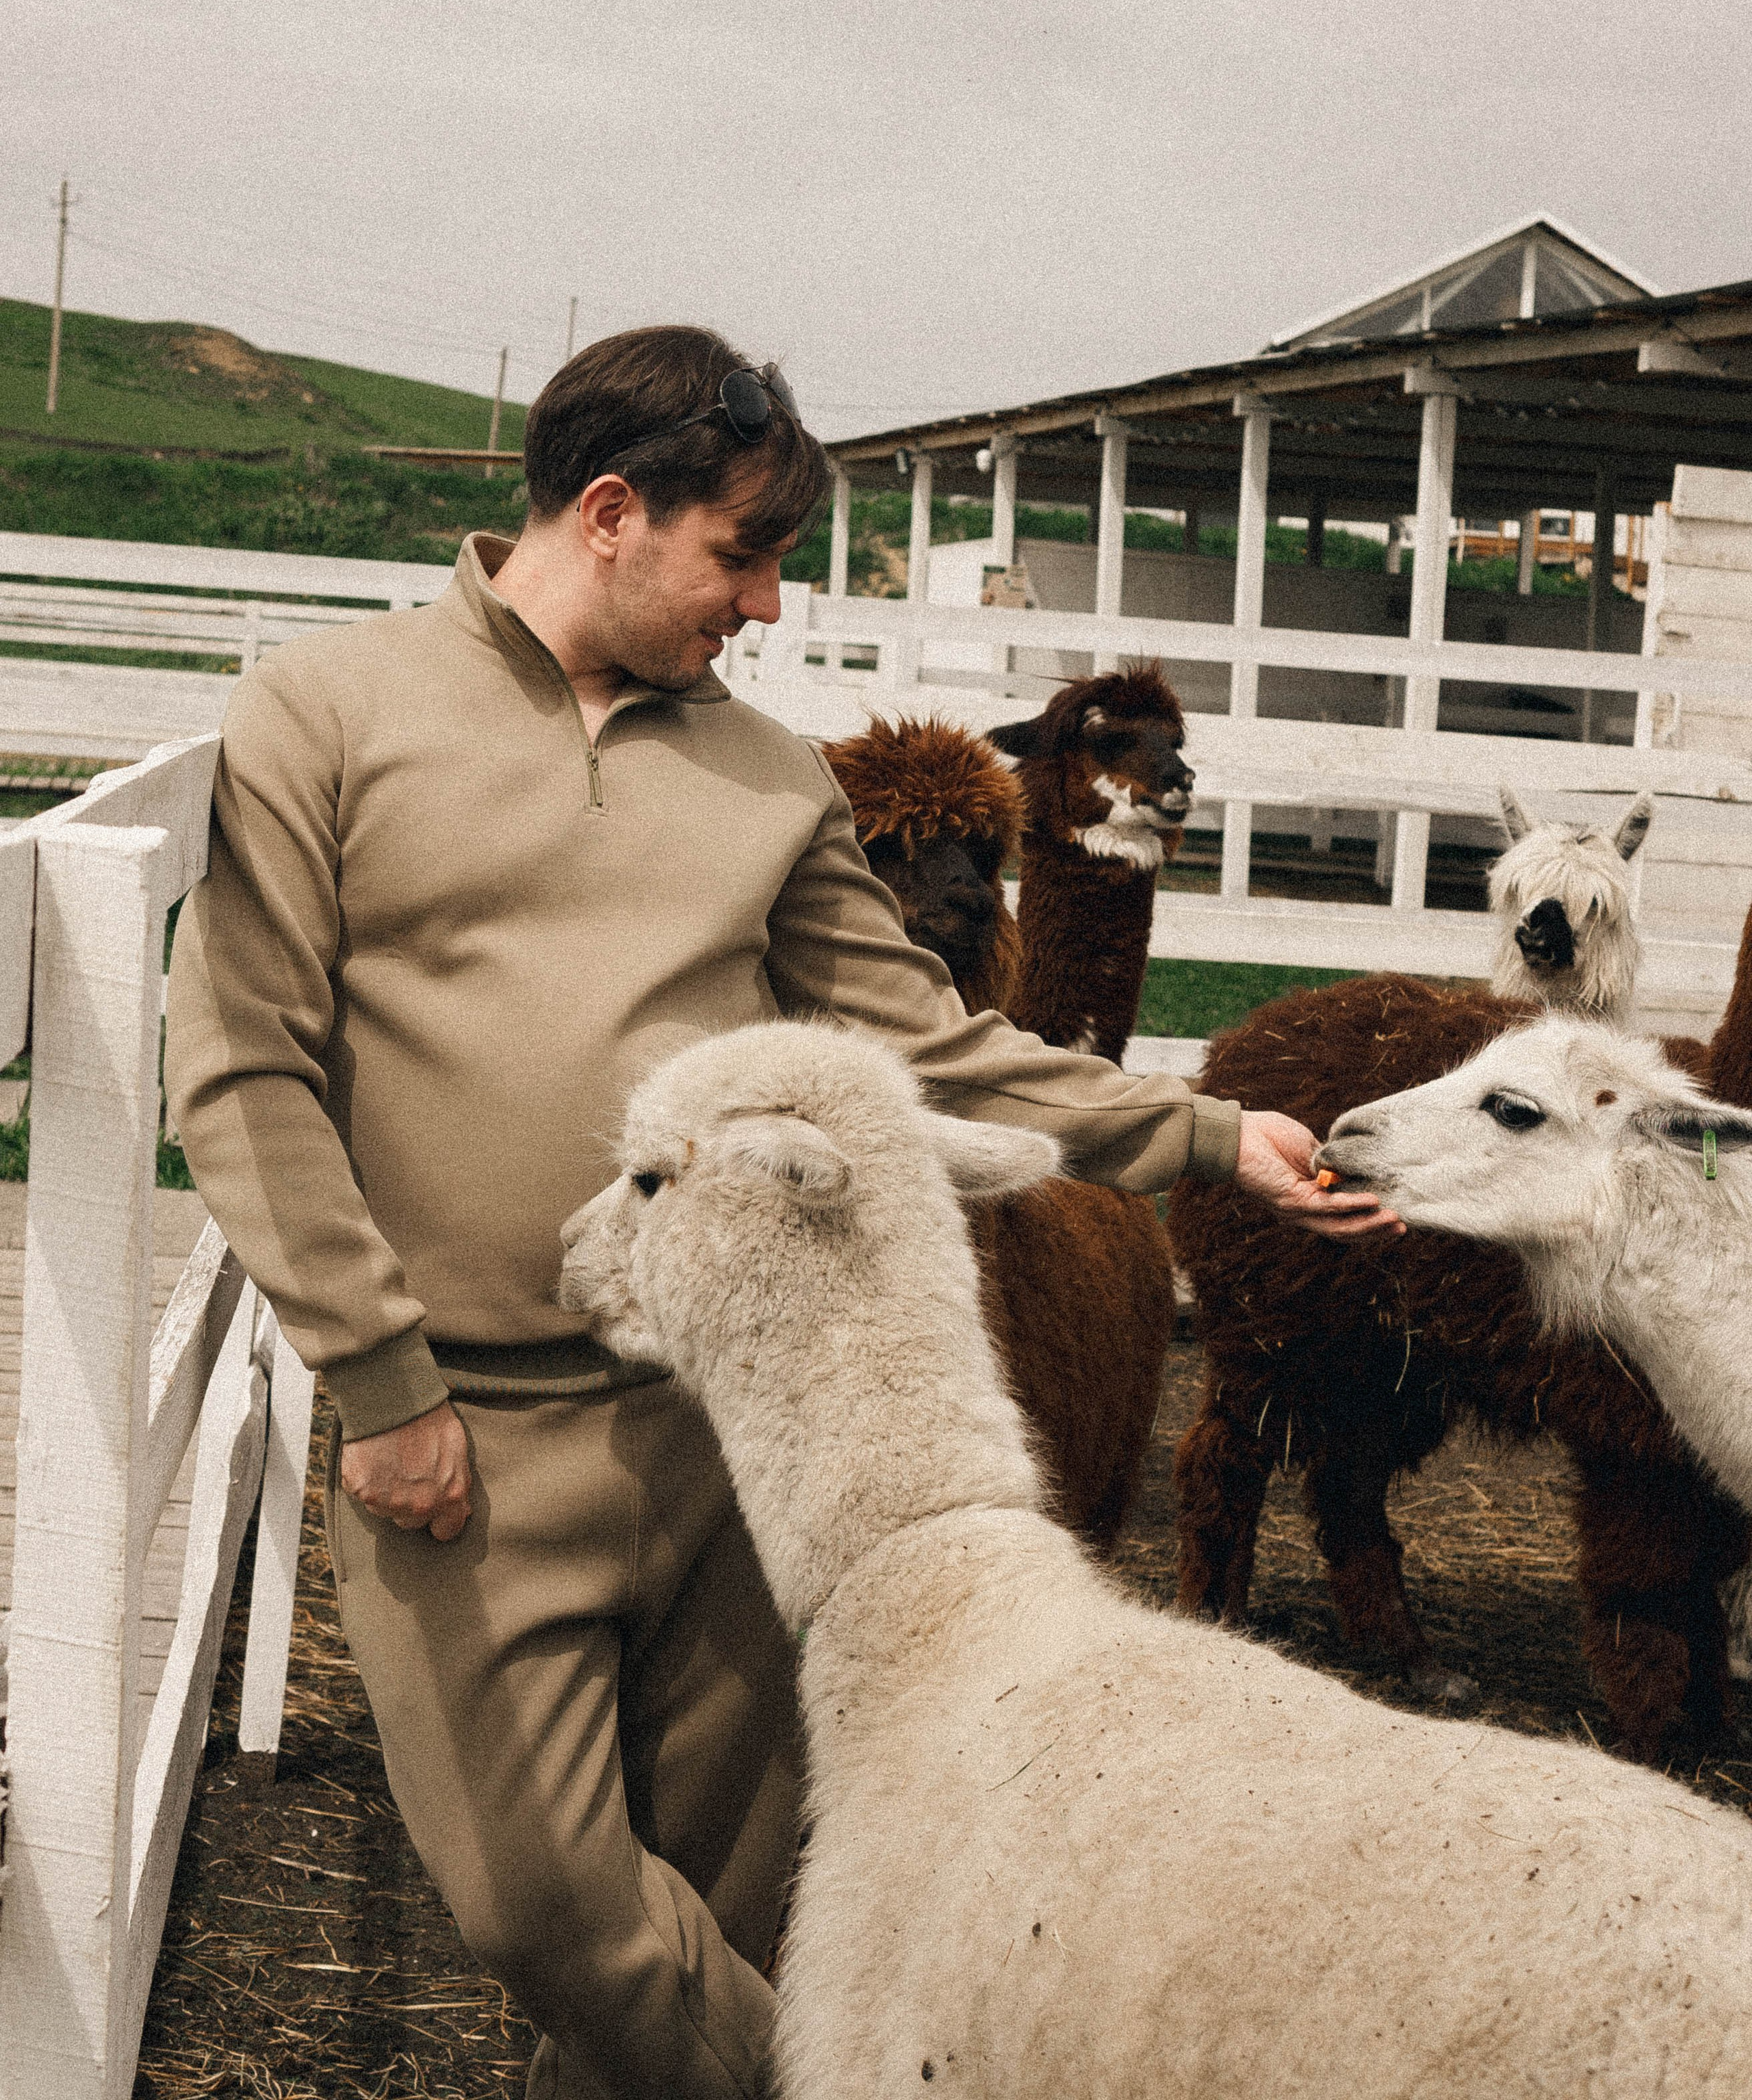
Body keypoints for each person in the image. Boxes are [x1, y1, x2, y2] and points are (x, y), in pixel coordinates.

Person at [166, 325, 1394, 2100]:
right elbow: (243, 1067)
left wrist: (1202, 1137)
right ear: (610, 513)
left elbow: (918, 1048)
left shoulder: (761, 778)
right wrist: (382, 1379)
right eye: (741, 556)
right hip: (463, 1446)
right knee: (550, 1914)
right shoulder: (326, 717)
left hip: (727, 1430)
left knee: (733, 1928)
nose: (764, 606)